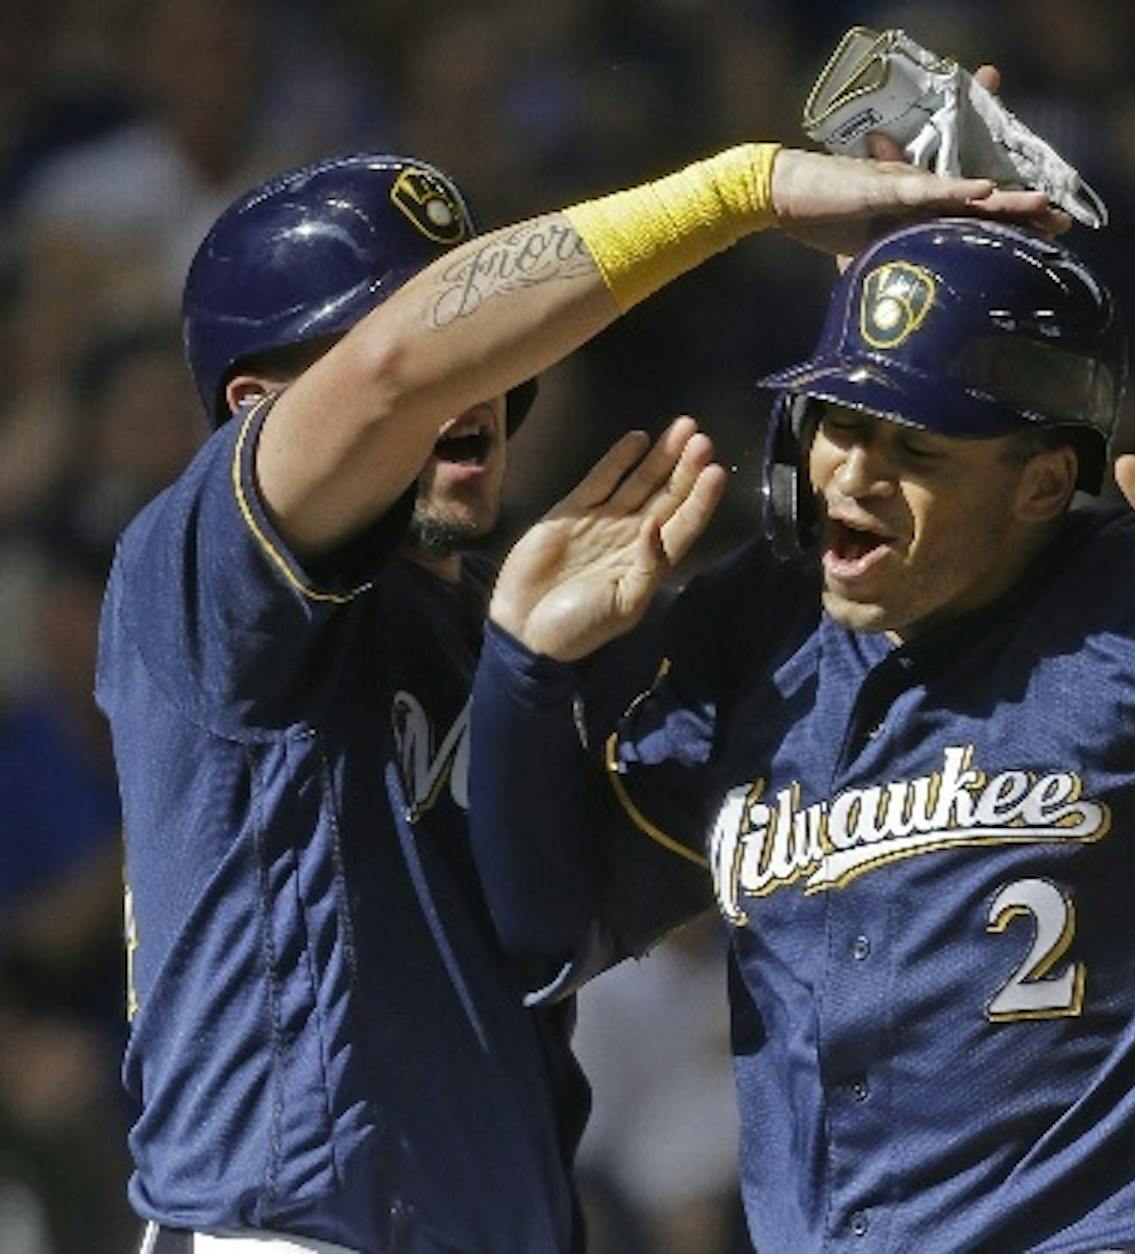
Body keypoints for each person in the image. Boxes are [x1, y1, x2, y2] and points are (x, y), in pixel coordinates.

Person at [96, 127, 1059, 1252]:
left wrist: (896, 325)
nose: (474, 378)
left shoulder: (515, 632)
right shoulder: (199, 571)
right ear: (256, 407)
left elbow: (581, 917)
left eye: (490, 347)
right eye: (443, 337)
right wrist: (741, 190)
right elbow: (396, 369)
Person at [462, 217, 1135, 1251]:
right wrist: (526, 666)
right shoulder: (758, 627)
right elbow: (550, 937)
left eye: (916, 447)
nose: (853, 476)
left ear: (1041, 483)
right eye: (838, 424)